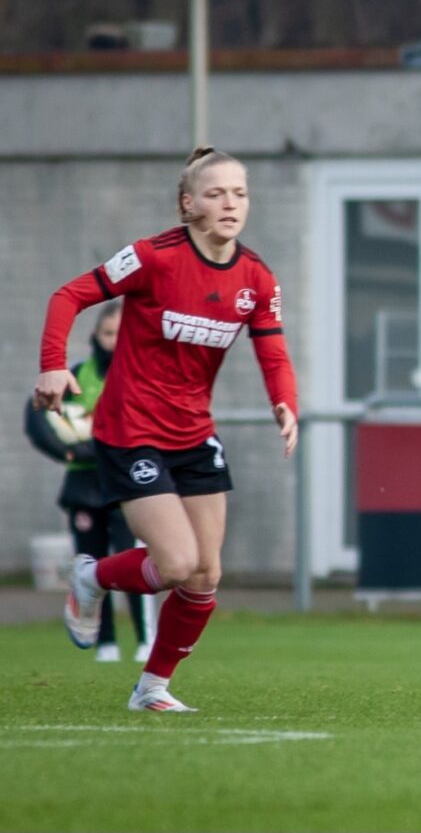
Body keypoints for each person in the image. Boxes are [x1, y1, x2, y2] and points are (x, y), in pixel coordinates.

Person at [34, 146, 299, 713]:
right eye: (216, 193)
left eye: (240, 192)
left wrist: (285, 403)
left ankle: (151, 687)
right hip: (130, 428)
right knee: (174, 564)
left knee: (205, 575)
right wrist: (54, 363)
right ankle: (92, 576)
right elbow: (70, 295)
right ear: (188, 204)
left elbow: (273, 351)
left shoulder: (256, 276)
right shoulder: (154, 257)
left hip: (193, 431)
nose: (230, 203)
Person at [24, 301, 151, 663]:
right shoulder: (78, 377)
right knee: (93, 563)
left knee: (133, 559)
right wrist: (72, 452)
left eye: (122, 333)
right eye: (109, 333)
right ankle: (105, 641)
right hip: (85, 488)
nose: (115, 341)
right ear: (96, 336)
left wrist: (104, 445)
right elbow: (40, 419)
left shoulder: (143, 376)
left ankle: (145, 638)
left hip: (129, 484)